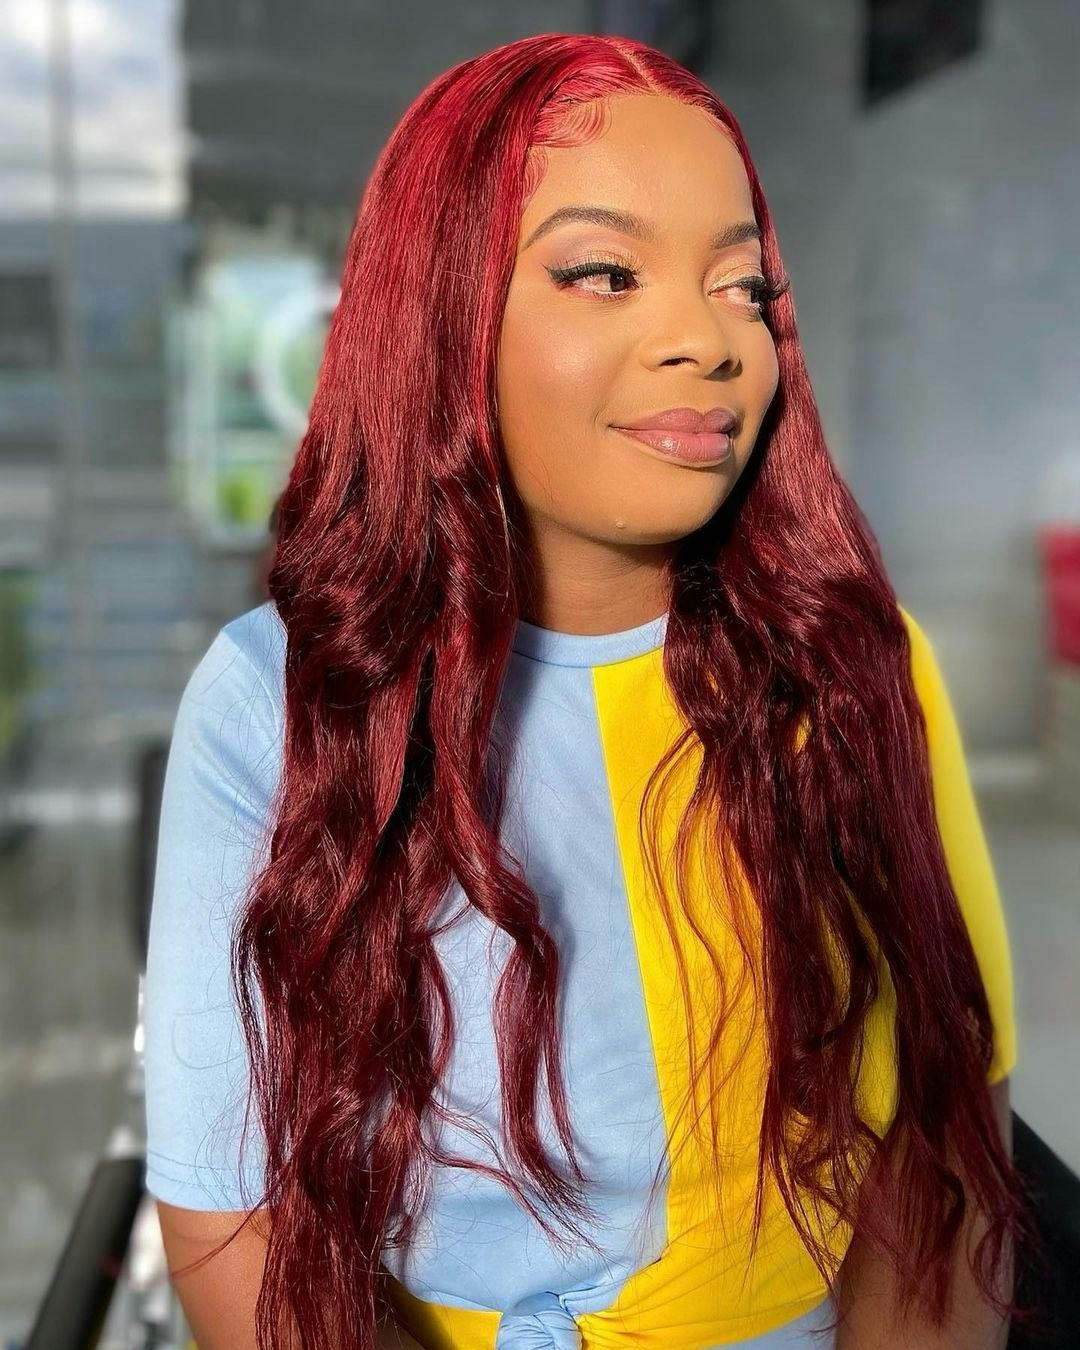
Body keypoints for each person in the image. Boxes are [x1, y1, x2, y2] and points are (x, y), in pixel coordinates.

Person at [143, 32, 1037, 1350]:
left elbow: (944, 1141)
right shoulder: (271, 702)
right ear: (442, 315)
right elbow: (236, 1224)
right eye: (604, 273)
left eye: (742, 286)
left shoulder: (863, 662)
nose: (705, 339)